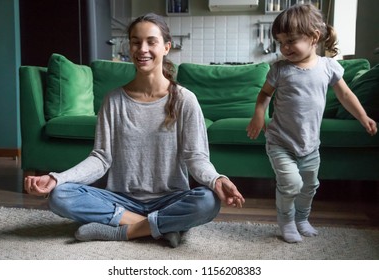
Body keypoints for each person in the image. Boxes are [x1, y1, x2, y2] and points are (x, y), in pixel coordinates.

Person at [24, 13, 245, 248]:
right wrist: (56, 178)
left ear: (166, 47)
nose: (142, 49)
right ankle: (161, 227)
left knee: (208, 201)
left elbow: (196, 158)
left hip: (170, 198)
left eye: (151, 41)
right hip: (121, 199)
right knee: (60, 195)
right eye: (135, 41)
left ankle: (123, 231)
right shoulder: (113, 101)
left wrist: (216, 179)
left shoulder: (185, 100)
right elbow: (100, 158)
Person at [246, 4, 377, 243]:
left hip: (310, 144)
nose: (284, 48)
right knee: (291, 183)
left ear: (314, 37)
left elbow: (346, 96)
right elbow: (264, 95)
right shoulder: (279, 70)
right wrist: (258, 115)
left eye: (291, 41)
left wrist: (363, 116)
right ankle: (286, 221)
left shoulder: (329, 67)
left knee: (309, 186)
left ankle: (302, 218)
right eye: (280, 42)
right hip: (280, 141)